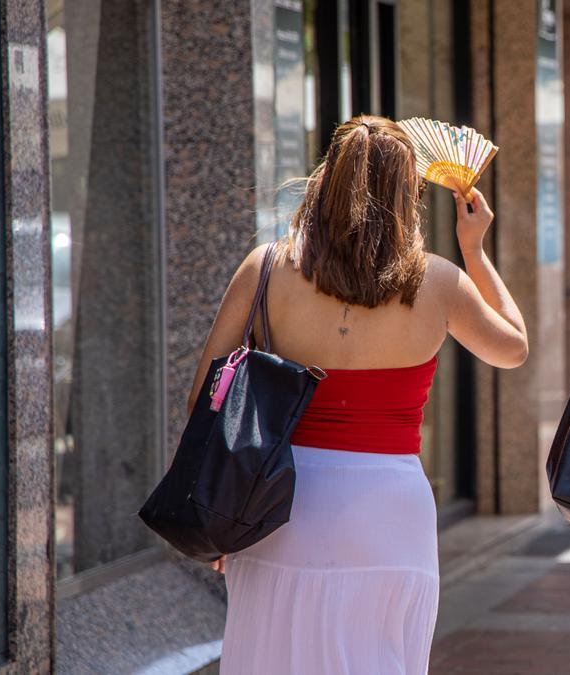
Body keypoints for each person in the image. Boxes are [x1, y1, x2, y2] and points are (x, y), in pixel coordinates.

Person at [188, 116, 528, 674]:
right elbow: (513, 347)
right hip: (391, 512)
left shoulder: (265, 268)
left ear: (326, 180)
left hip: (274, 505)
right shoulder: (438, 282)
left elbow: (206, 401)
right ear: (408, 196)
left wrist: (221, 509)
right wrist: (475, 250)